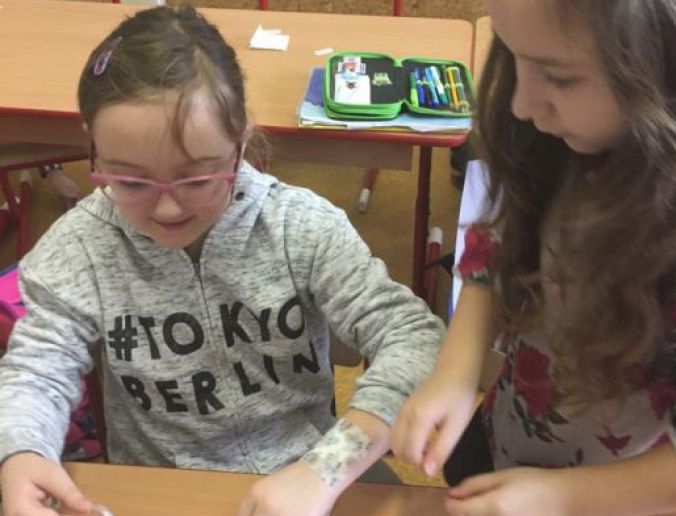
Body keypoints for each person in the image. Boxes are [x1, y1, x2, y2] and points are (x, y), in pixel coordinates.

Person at [0, 6, 445, 516]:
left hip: (311, 474)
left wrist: (327, 467)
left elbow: (415, 338)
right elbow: (36, 371)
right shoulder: (80, 248)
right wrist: (22, 451)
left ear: (241, 143)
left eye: (197, 179)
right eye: (130, 182)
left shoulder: (299, 227)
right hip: (159, 488)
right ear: (94, 152)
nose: (167, 208)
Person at [392, 0, 676, 514]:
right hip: (511, 438)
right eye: (511, 56)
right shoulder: (563, 139)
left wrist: (563, 498)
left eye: (559, 77)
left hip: (629, 494)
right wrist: (459, 367)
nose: (521, 105)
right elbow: (501, 238)